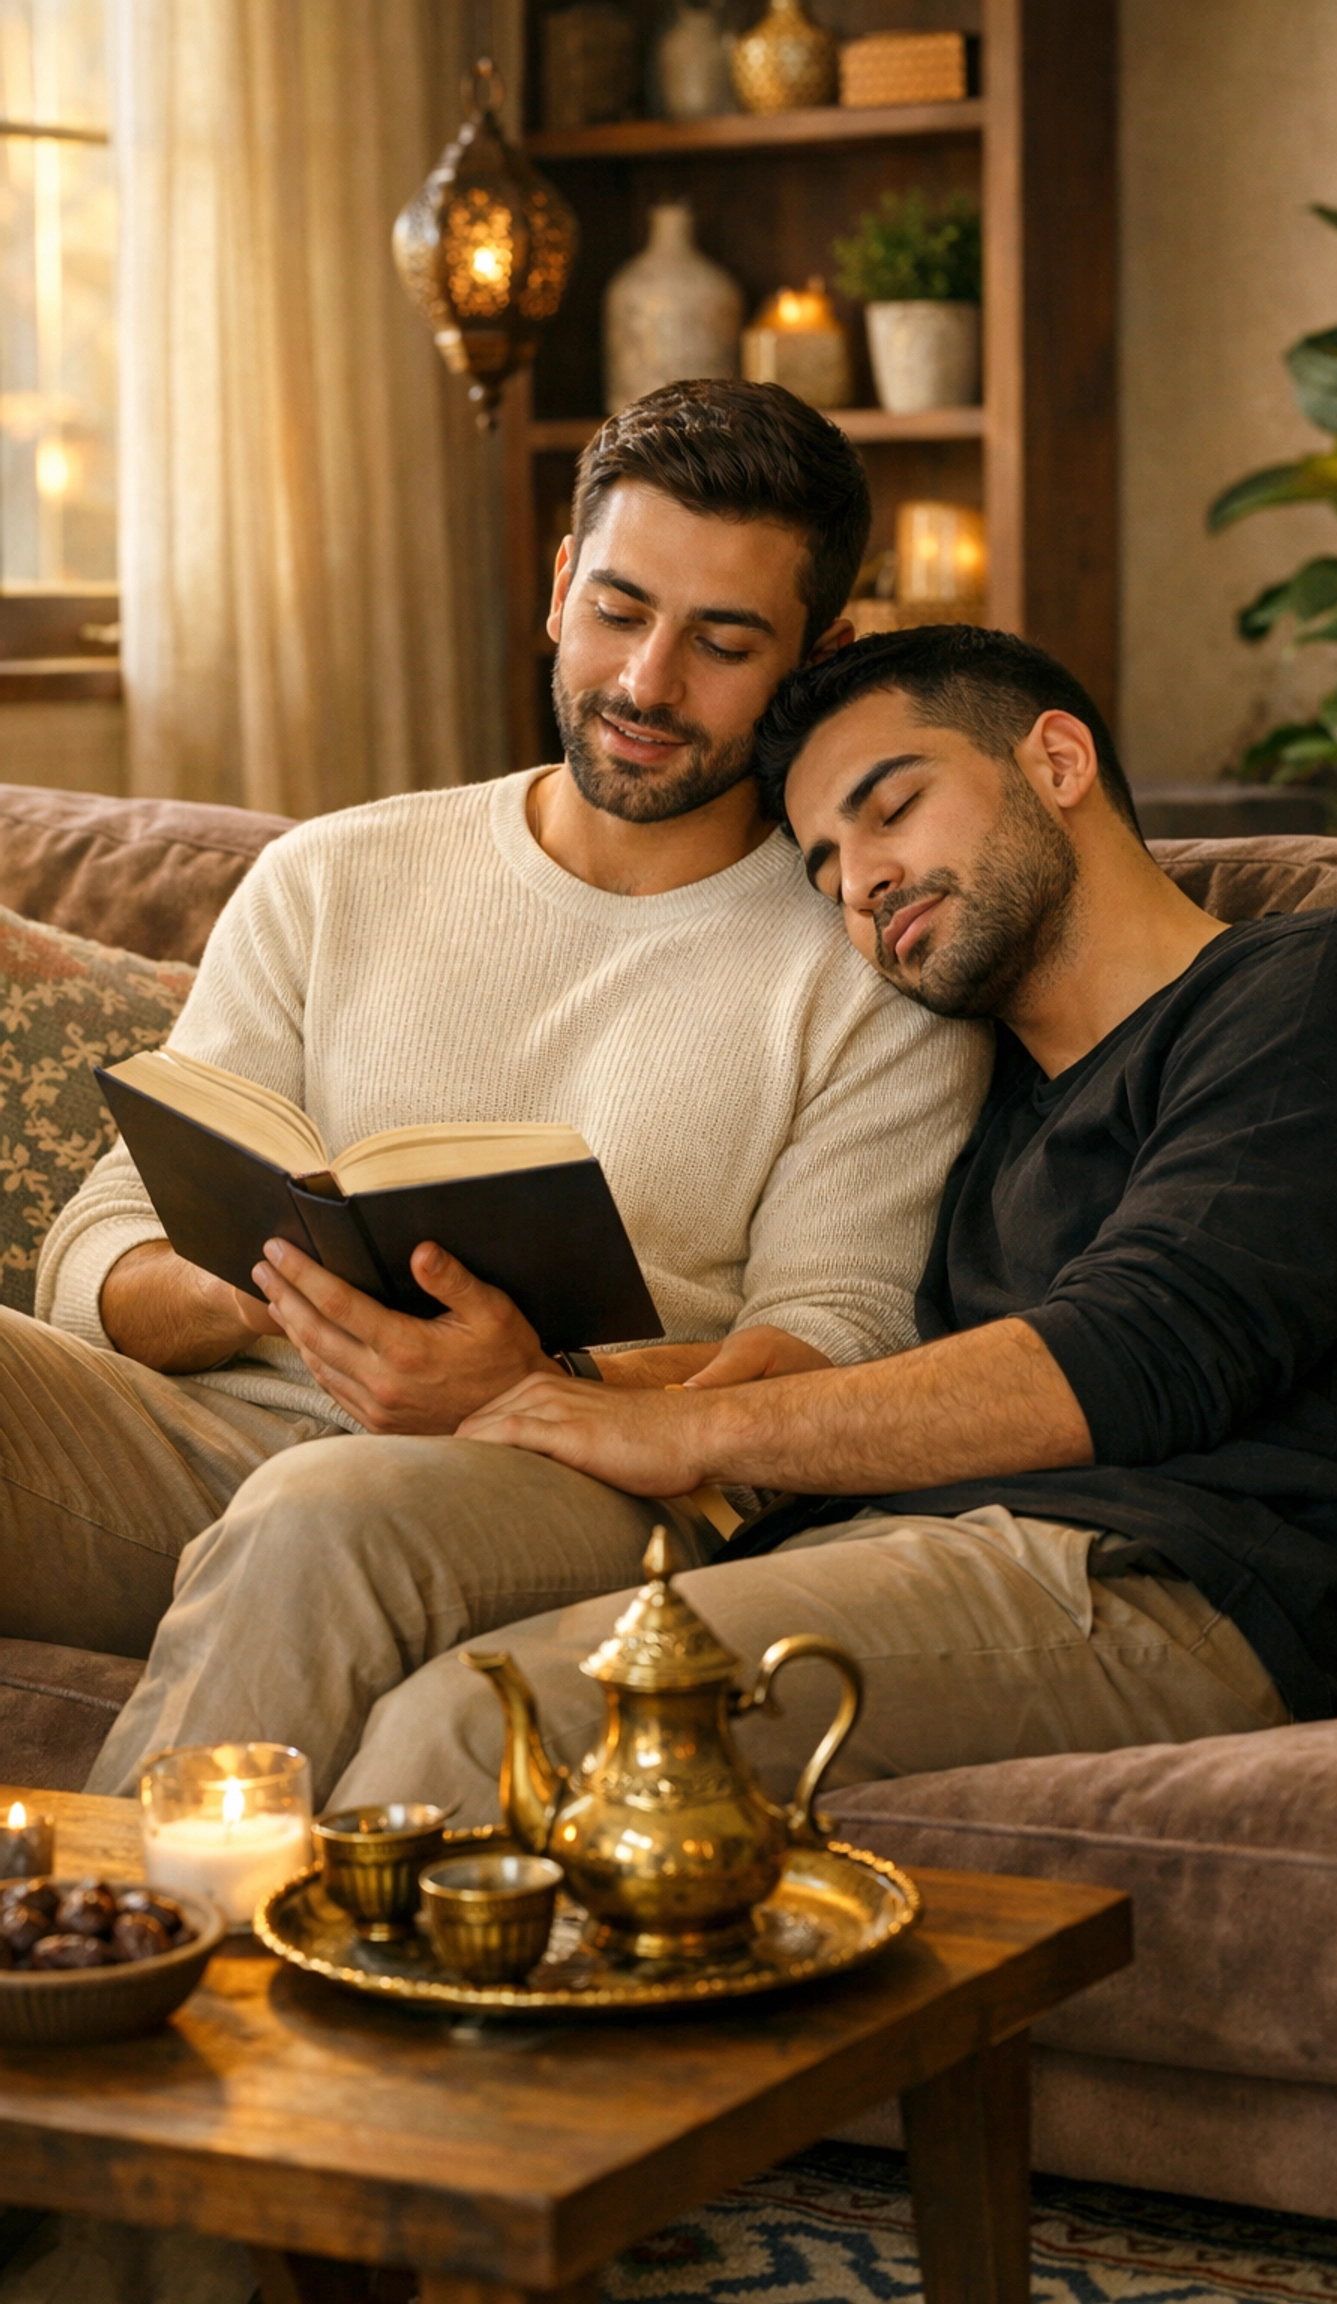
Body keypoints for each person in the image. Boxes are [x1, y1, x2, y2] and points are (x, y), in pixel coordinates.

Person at [311, 623, 1337, 1822]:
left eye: (889, 809)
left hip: (1166, 1587)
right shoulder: (980, 1100)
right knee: (337, 1537)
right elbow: (875, 1360)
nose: (860, 883)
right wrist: (550, 1383)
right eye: (827, 865)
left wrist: (698, 1434)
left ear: (1058, 762)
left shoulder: (1323, 993)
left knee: (483, 1722)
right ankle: (138, 1947)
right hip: (882, 1545)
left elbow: (1137, 1359)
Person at [1, 382, 993, 1796]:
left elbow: (838, 1347)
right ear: (557, 586)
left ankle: (111, 1978)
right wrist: (262, 1285)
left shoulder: (864, 952)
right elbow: (96, 1246)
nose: (647, 683)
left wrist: (531, 1380)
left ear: (817, 659)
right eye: (618, 608)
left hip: (588, 1485)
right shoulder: (336, 876)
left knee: (321, 1511)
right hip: (221, 1428)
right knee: (290, 1484)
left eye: (722, 642)